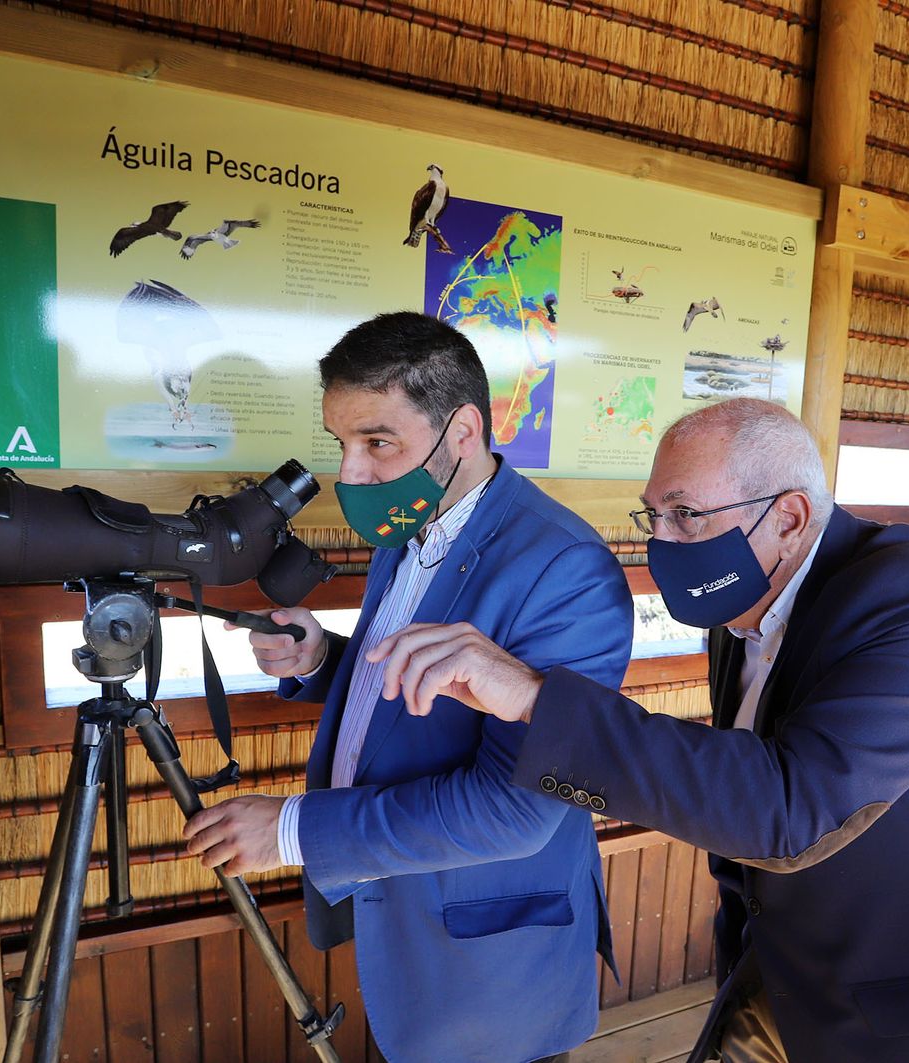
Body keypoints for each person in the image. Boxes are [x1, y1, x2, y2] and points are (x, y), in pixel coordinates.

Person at [366, 398, 909, 1062]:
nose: (662, 541)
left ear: (788, 517)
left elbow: (788, 807)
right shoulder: (743, 610)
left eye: (686, 514)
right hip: (790, 970)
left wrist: (534, 697)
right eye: (652, 515)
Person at [183, 312, 633, 1063]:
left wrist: (292, 829)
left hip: (492, 961)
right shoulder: (414, 522)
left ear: (461, 431)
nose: (350, 473)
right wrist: (323, 659)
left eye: (376, 442)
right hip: (408, 918)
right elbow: (418, 686)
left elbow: (515, 811)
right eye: (341, 444)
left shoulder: (565, 570)